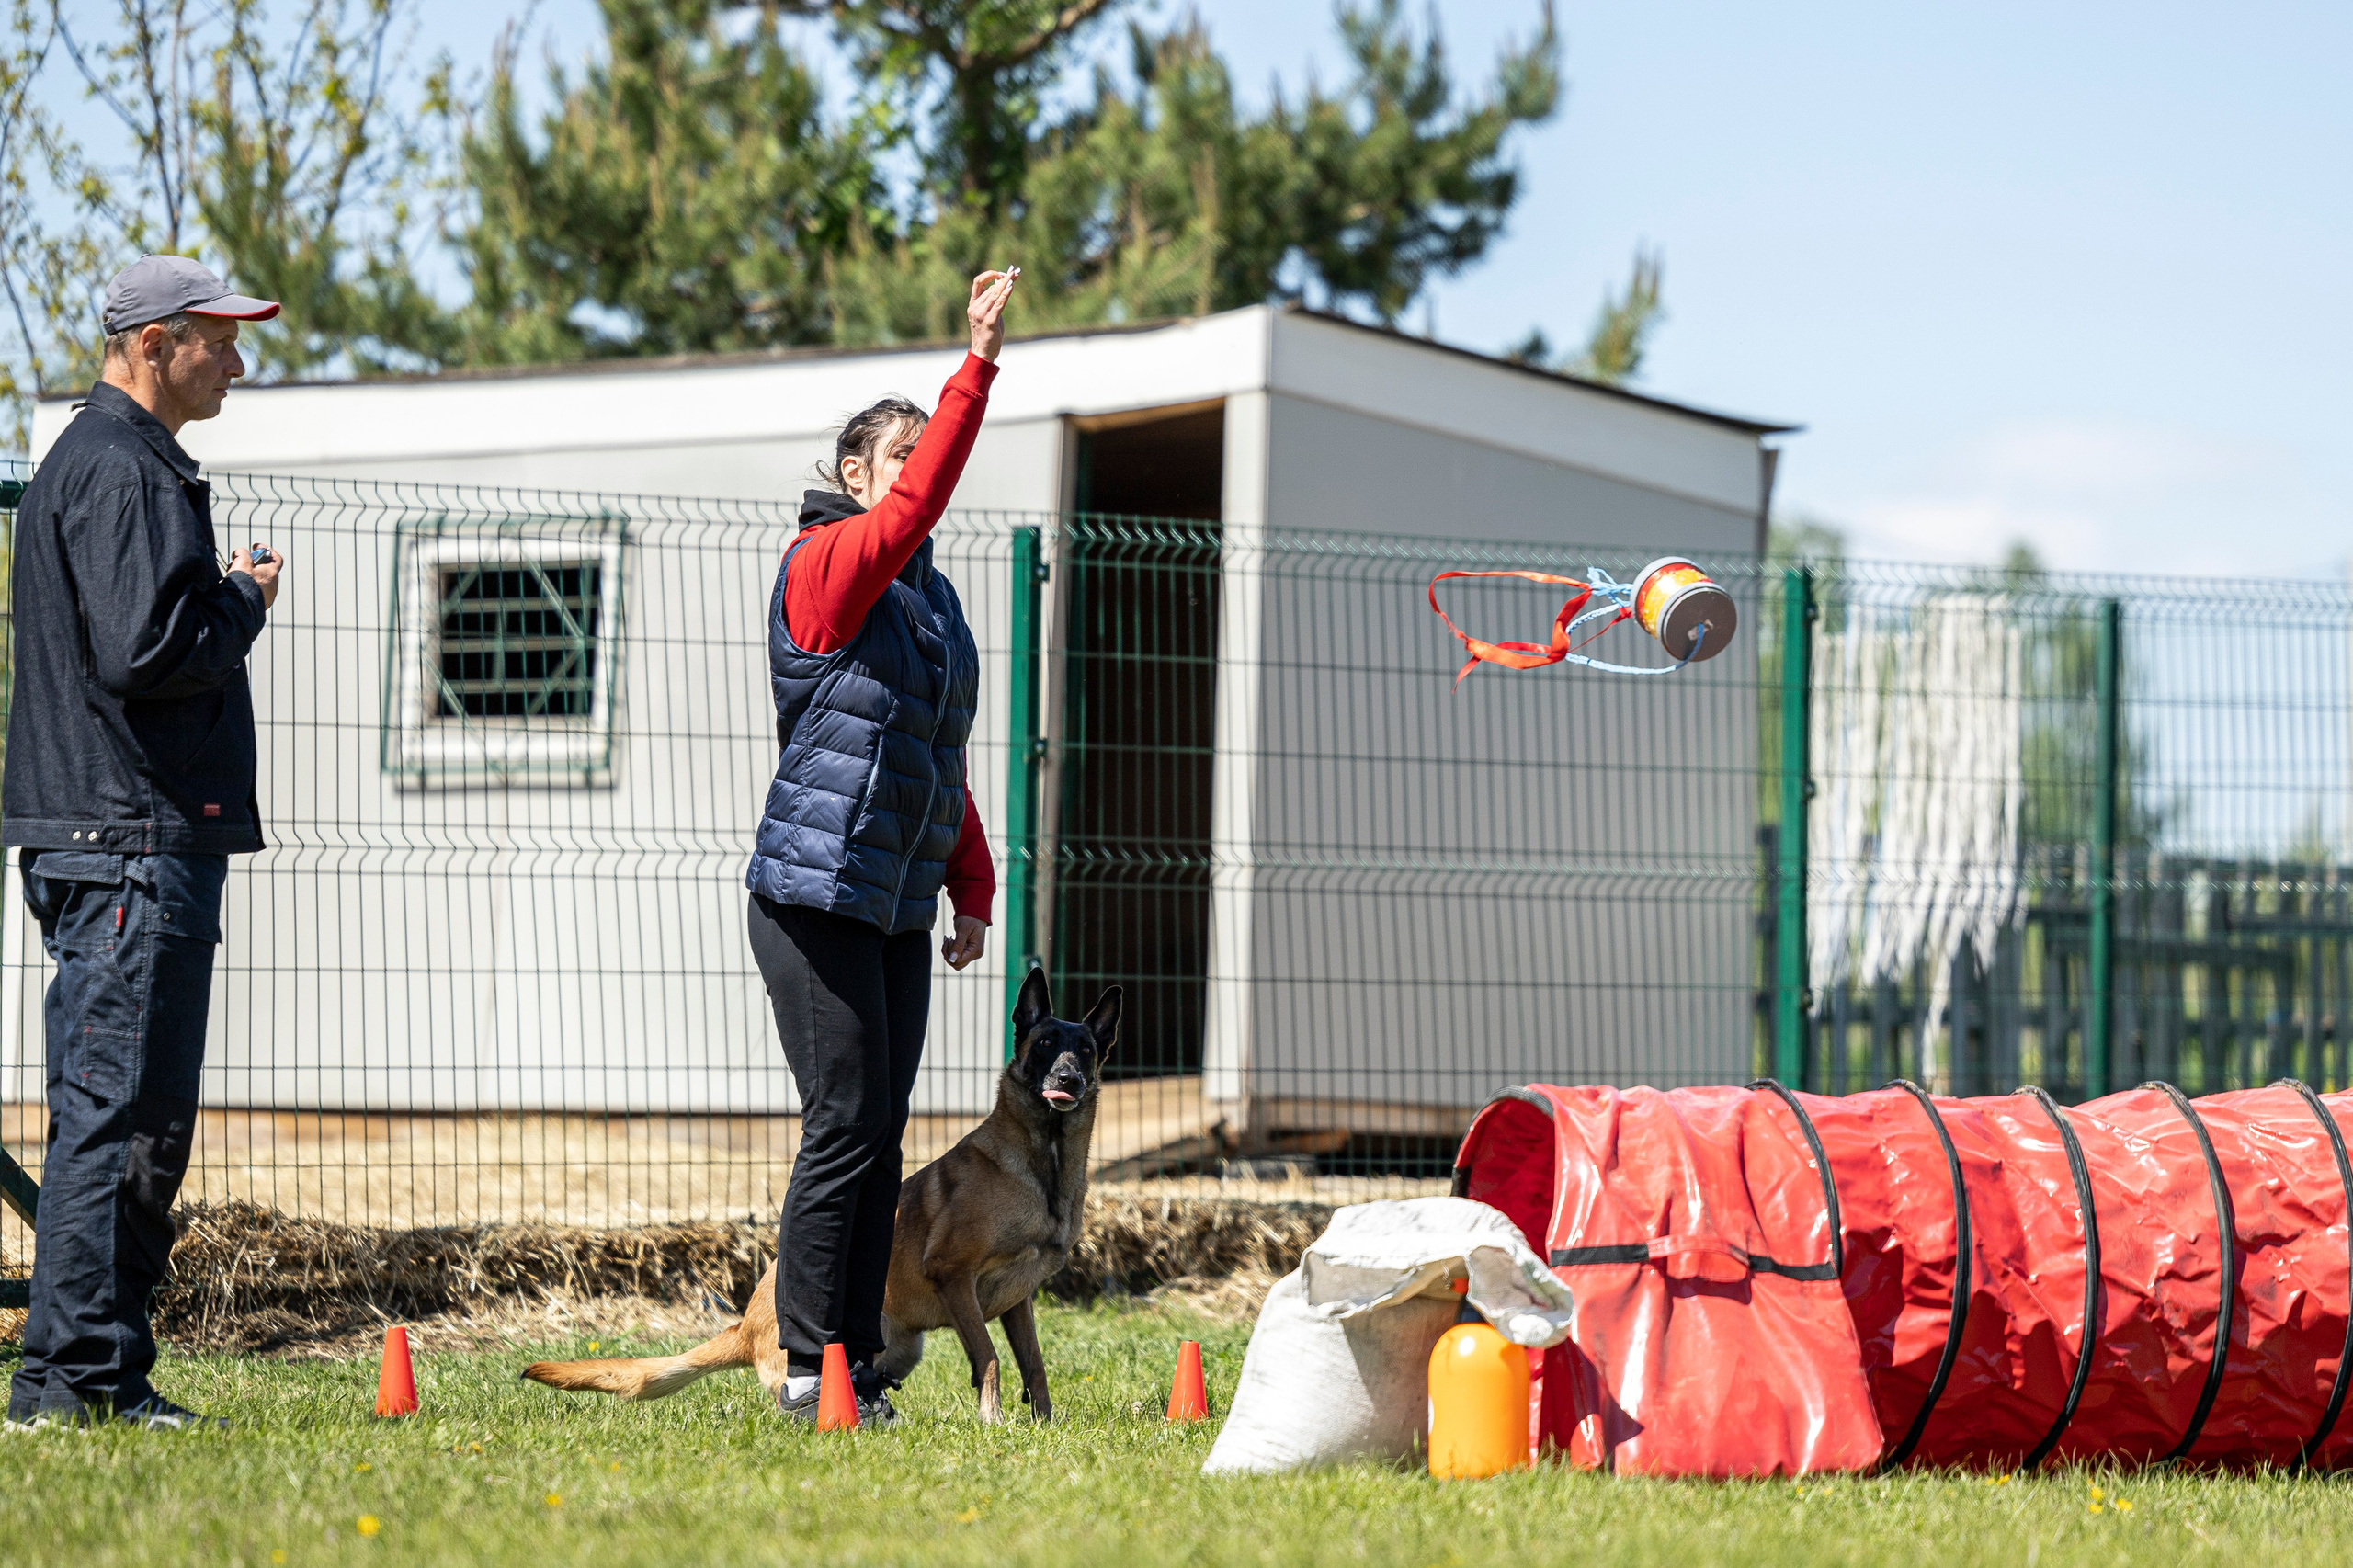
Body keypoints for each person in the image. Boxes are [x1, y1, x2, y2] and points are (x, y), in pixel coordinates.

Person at [3, 256, 286, 1430]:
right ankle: (69, 1382)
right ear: (155, 341)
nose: (237, 360)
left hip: (119, 834)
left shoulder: (111, 459)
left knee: (131, 1120)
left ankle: (101, 1372)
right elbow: (146, 651)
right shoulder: (122, 467)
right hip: (126, 839)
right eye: (219, 339)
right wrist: (242, 600)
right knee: (117, 1118)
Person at [746, 268, 1017, 1424]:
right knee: (844, 1122)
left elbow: (937, 754)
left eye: (924, 452)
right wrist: (976, 366)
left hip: (896, 899)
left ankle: (852, 1355)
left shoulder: (932, 603)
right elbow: (912, 513)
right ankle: (812, 1363)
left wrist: (972, 888)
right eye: (897, 457)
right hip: (812, 894)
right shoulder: (829, 565)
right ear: (854, 475)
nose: (915, 478)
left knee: (877, 1131)